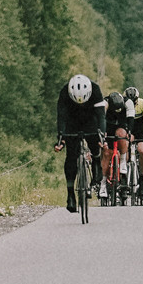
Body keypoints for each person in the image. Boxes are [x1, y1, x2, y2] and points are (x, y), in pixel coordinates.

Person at [55, 72, 105, 210]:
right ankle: (70, 195)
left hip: (91, 120)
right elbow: (61, 117)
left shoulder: (95, 90)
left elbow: (101, 116)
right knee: (71, 156)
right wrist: (60, 137)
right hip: (72, 121)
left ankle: (96, 163)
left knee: (96, 142)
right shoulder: (65, 93)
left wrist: (102, 135)